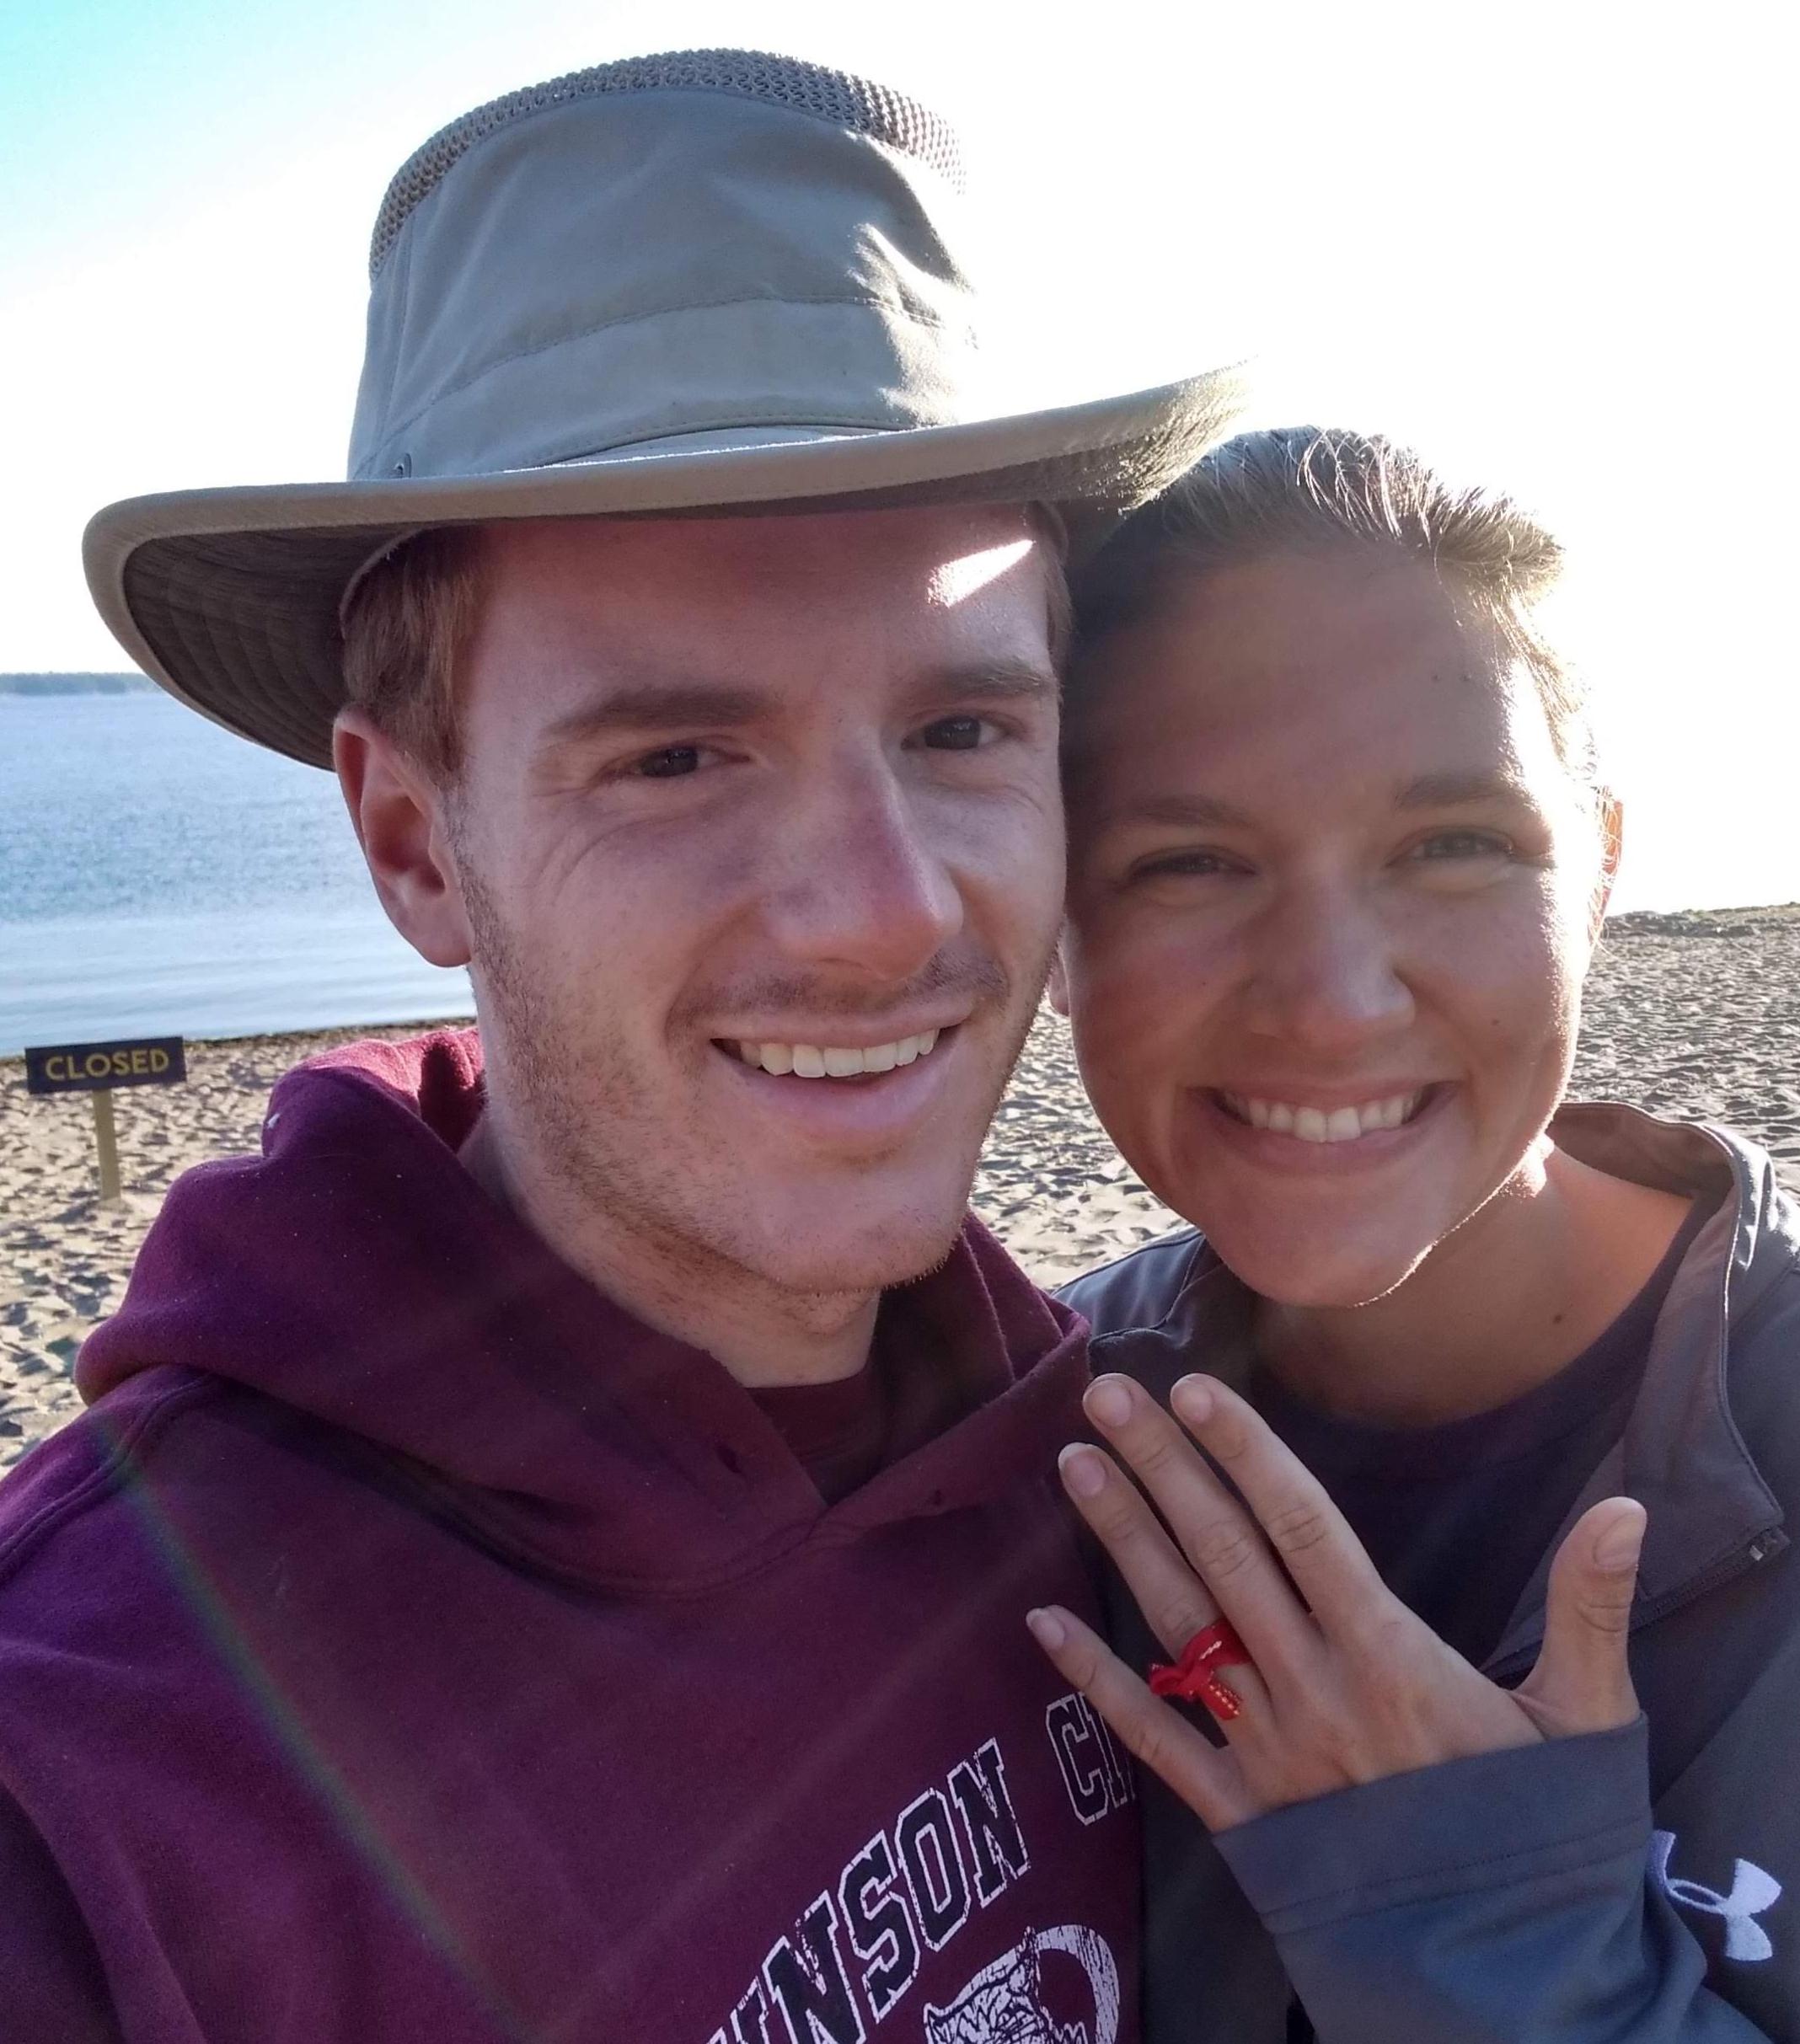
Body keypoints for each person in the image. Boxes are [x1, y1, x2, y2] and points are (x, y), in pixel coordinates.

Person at [0, 52, 1246, 2041]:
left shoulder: (1101, 1474)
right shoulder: (100, 1773)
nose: (891, 909)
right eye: (675, 754)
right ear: (416, 841)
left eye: (961, 730)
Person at [1030, 427, 1800, 2041]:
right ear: (1052, 927)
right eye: (1186, 862)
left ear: (1601, 869)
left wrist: (1498, 1943)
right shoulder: (1024, 1460)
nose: (1333, 999)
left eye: (1454, 846)